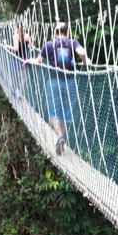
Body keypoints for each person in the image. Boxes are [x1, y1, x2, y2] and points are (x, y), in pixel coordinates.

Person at [23, 22, 89, 155]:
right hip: (70, 83)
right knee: (67, 113)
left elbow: (39, 60)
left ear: (55, 33)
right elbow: (82, 52)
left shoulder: (48, 45)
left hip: (53, 82)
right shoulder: (72, 42)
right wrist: (85, 60)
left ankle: (59, 136)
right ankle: (62, 139)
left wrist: (28, 61)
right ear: (67, 32)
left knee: (54, 112)